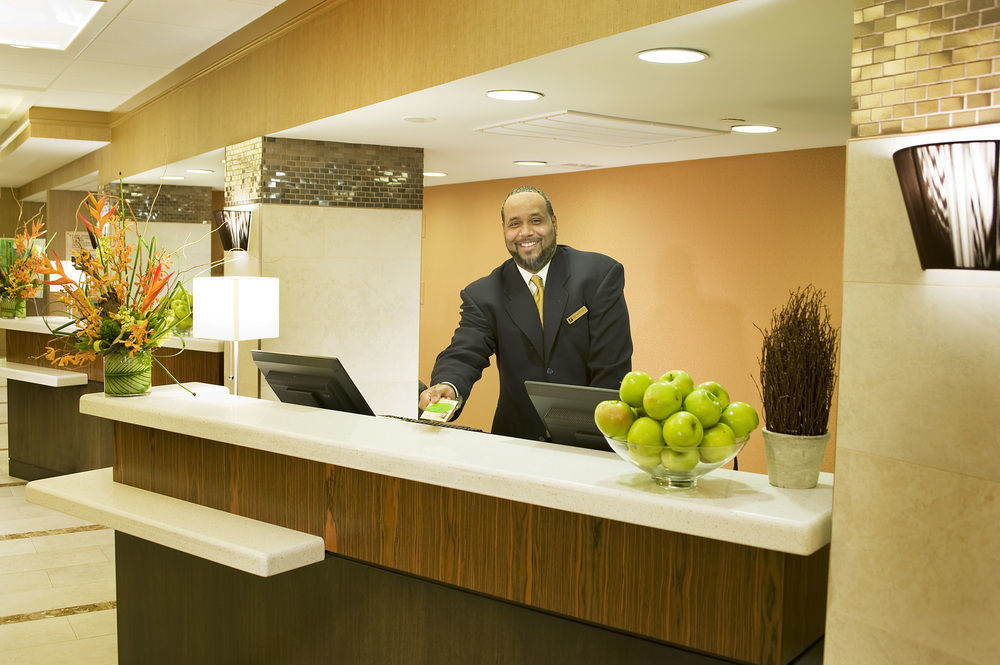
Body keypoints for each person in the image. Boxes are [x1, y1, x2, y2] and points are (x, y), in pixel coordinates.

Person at [419, 185, 633, 441]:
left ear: (553, 222)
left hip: (592, 441)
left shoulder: (599, 274)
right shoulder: (483, 294)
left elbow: (611, 368)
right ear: (504, 230)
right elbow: (464, 352)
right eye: (515, 224)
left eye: (535, 220)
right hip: (517, 442)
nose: (526, 232)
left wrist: (597, 437)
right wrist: (449, 386)